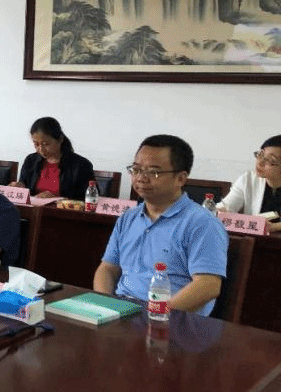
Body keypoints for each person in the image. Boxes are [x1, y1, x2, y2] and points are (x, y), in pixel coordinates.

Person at [94, 135, 227, 315]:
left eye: (153, 172)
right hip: (121, 314)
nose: (141, 178)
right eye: (136, 169)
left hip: (171, 321)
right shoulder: (128, 218)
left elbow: (208, 285)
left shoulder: (202, 223)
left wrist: (156, 315)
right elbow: (107, 269)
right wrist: (105, 307)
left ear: (180, 178)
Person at [9, 116, 94, 200]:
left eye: (45, 144)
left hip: (63, 209)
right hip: (33, 208)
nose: (41, 149)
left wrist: (58, 199)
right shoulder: (31, 161)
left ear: (60, 140)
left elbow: (91, 199)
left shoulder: (81, 165)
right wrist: (19, 187)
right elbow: (25, 190)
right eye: (36, 144)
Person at [217, 135, 281, 233]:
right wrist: (220, 211)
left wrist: (275, 227)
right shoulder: (248, 180)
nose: (260, 162)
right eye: (260, 155)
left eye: (270, 160)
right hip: (254, 240)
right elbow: (226, 207)